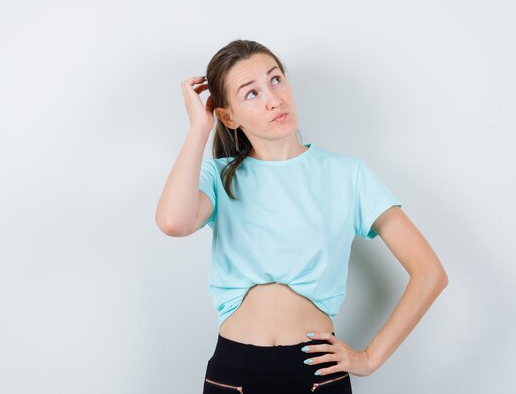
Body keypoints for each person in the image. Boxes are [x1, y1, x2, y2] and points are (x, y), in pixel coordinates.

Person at [155, 39, 448, 394]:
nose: (273, 99)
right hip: (234, 372)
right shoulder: (218, 177)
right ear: (228, 116)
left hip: (316, 371)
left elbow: (430, 272)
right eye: (251, 93)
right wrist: (198, 129)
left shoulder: (348, 174)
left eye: (276, 79)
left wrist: (369, 358)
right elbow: (173, 222)